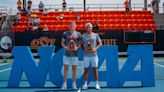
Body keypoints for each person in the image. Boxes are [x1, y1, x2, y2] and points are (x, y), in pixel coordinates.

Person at [61, 21, 81, 90]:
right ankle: (64, 84)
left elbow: (80, 43)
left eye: (73, 25)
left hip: (75, 54)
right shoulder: (65, 33)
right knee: (65, 69)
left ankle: (74, 84)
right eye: (71, 25)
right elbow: (62, 43)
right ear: (69, 26)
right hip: (66, 54)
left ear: (75, 26)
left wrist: (77, 48)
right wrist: (65, 47)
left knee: (74, 69)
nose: (72, 27)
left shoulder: (78, 34)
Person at [81, 22, 102, 90]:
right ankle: (85, 84)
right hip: (86, 55)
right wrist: (84, 49)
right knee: (86, 70)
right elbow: (80, 44)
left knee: (95, 70)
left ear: (92, 28)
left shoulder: (96, 35)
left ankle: (97, 83)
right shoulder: (83, 36)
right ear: (86, 28)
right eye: (87, 27)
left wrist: (95, 48)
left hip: (94, 55)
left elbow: (100, 43)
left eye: (89, 27)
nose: (88, 28)